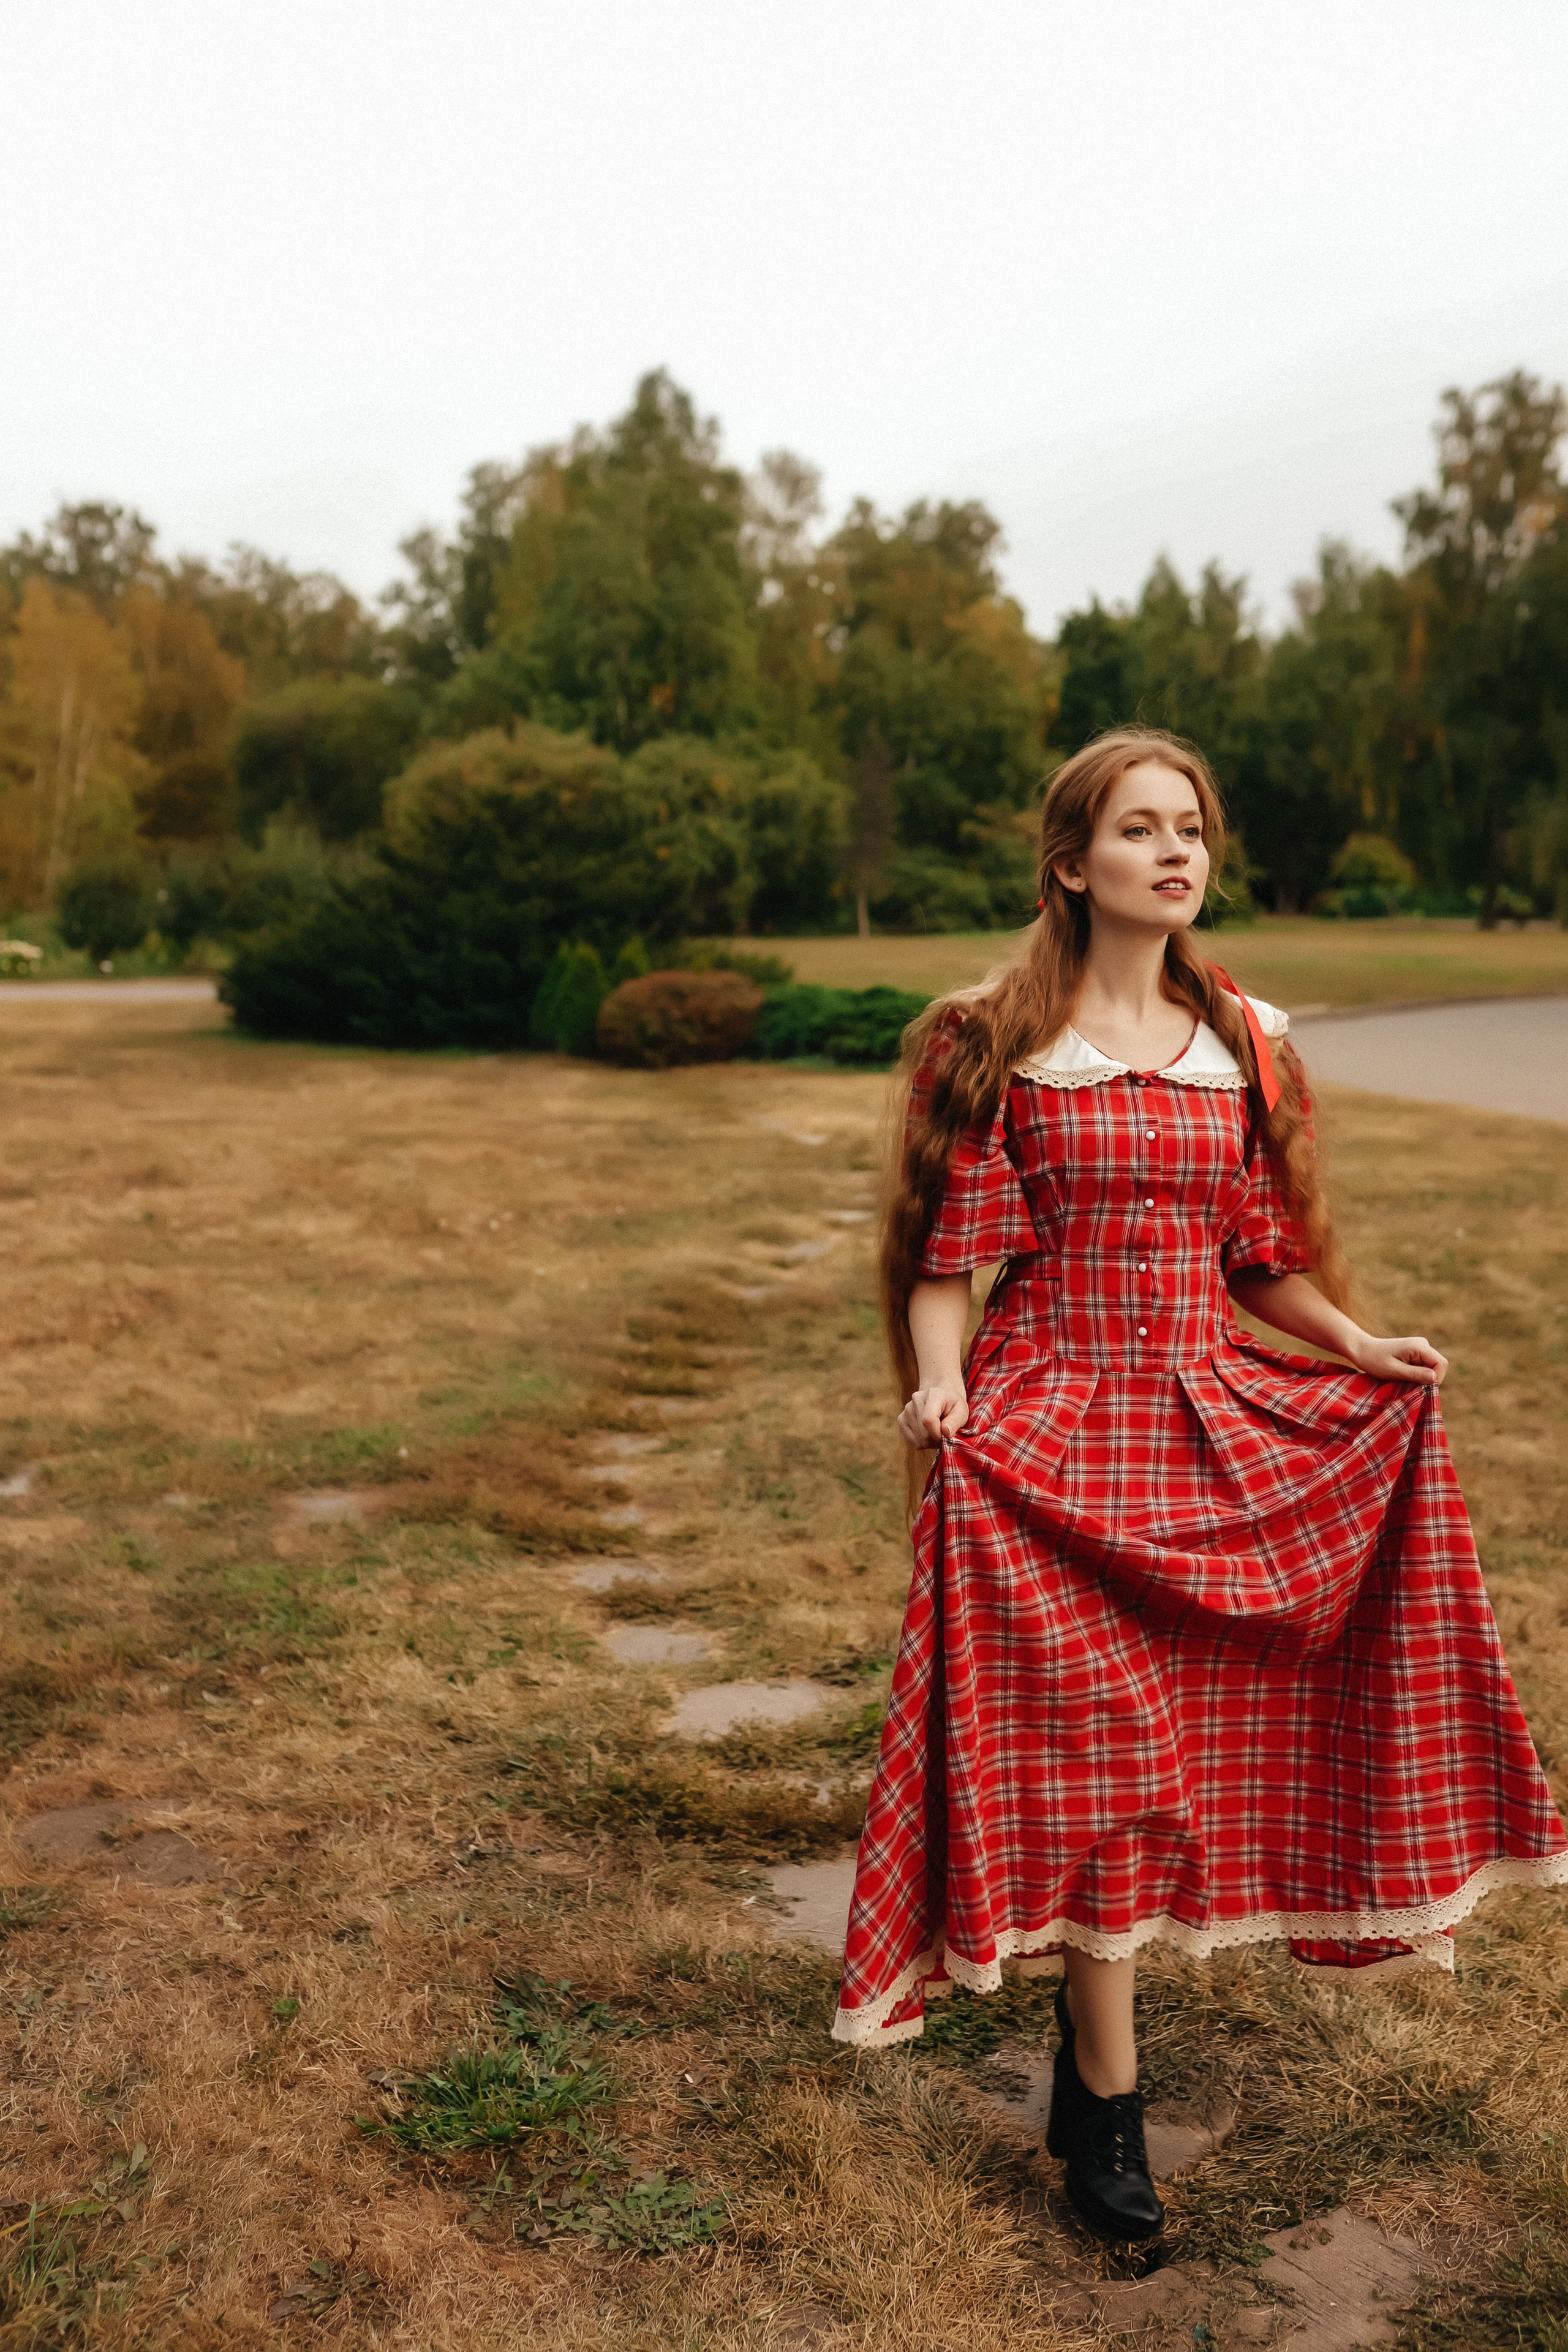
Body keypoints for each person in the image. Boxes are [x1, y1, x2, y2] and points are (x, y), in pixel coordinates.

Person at [830, 726, 1568, 2243]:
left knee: (1185, 1750)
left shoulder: (1241, 1036)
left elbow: (1260, 1254)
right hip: (1051, 1437)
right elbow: (947, 1257)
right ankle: (1105, 2095)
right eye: (1138, 830)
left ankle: (1086, 2051)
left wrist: (1354, 1340)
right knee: (1102, 1761)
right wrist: (943, 1379)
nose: (1175, 853)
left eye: (1192, 830)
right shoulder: (988, 1038)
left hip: (1212, 1424)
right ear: (1069, 864)